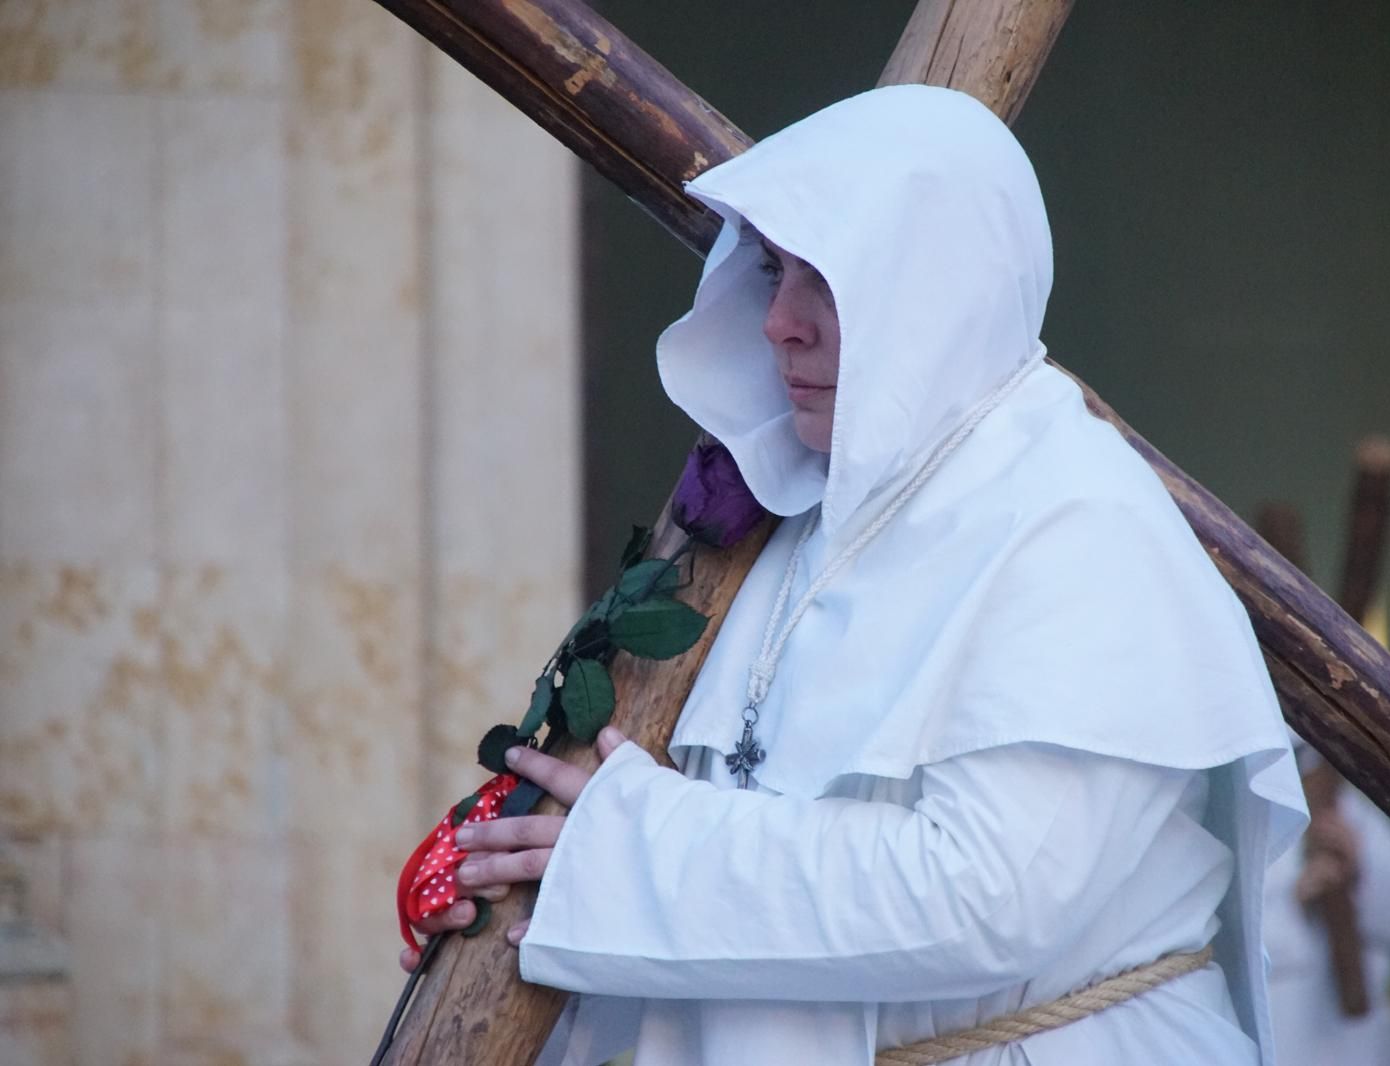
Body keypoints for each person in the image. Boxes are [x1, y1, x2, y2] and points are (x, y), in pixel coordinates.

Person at [404, 84, 1307, 1064]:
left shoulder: (1081, 524)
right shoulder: (787, 526)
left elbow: (991, 898)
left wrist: (628, 855)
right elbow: (749, 937)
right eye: (771, 272)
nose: (777, 323)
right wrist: (516, 918)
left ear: (940, 287)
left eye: (826, 281)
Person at [1264, 747, 1390, 1066]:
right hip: (1279, 1031)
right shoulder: (1240, 814)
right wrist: (1294, 903)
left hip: (1357, 1040)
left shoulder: (1354, 811)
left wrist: (1360, 873)